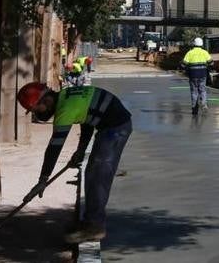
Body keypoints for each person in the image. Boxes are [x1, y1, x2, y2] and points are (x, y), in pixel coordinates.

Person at [16, 81, 132, 243]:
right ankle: (89, 222)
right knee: (92, 173)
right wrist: (80, 151)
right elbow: (87, 121)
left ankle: (94, 227)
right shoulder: (67, 96)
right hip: (109, 126)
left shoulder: (65, 110)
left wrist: (43, 180)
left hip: (116, 129)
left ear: (47, 101)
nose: (37, 114)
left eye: (36, 109)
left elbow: (54, 148)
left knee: (97, 175)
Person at [182, 37, 212, 116]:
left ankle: (194, 109)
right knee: (202, 90)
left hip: (193, 75)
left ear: (194, 44)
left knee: (194, 92)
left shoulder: (190, 53)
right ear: (201, 44)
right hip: (203, 74)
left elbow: (183, 64)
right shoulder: (205, 52)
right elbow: (211, 63)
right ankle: (204, 104)